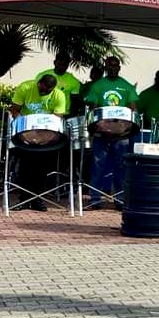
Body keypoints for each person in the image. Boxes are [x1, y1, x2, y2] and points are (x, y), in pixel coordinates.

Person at [83, 56, 138, 210]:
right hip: (102, 132)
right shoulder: (98, 85)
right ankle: (95, 199)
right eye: (109, 65)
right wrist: (101, 125)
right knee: (97, 165)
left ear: (119, 68)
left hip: (121, 133)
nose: (112, 68)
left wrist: (123, 125)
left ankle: (120, 199)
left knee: (121, 166)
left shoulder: (127, 86)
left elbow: (133, 108)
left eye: (115, 65)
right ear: (105, 67)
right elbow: (94, 108)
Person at [9, 74, 67, 211]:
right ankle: (23, 200)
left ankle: (37, 200)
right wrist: (23, 124)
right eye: (43, 90)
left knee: (42, 168)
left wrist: (43, 135)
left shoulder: (59, 95)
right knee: (25, 167)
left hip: (46, 136)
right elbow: (15, 109)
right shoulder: (26, 87)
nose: (44, 93)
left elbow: (56, 118)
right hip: (26, 133)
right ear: (39, 83)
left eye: (48, 91)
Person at [37, 52, 82, 116]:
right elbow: (35, 94)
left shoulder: (74, 81)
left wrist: (71, 116)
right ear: (54, 62)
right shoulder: (41, 76)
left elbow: (74, 102)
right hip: (43, 113)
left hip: (63, 114)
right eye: (60, 64)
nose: (62, 67)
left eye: (65, 65)